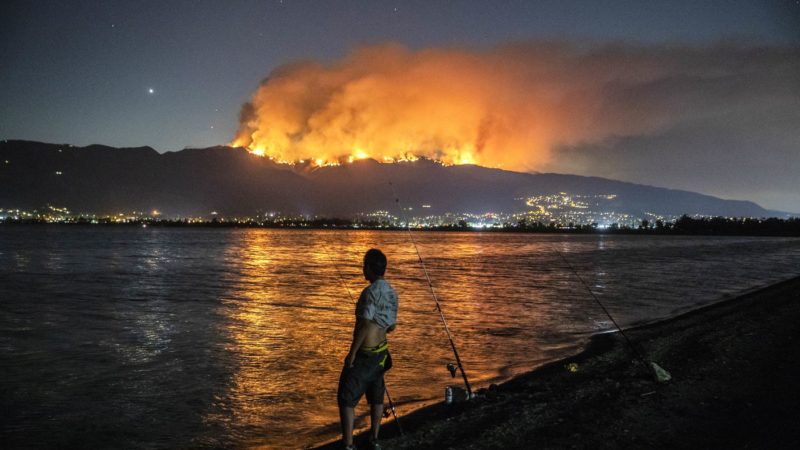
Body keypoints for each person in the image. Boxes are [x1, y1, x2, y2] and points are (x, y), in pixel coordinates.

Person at [337, 248, 398, 450]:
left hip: (367, 354)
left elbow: (364, 325)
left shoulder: (369, 292)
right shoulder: (391, 292)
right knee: (376, 395)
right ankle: (374, 438)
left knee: (346, 397)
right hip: (382, 352)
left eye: (365, 265)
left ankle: (348, 444)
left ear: (371, 268)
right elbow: (391, 326)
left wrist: (352, 353)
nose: (363, 268)